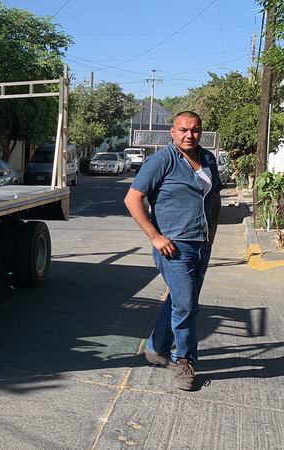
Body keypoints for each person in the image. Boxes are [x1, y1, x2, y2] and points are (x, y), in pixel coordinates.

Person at [123, 111, 221, 391]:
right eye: (183, 130)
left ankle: (155, 347)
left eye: (195, 130)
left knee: (181, 301)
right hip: (173, 247)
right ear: (172, 131)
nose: (189, 135)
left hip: (201, 244)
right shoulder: (161, 161)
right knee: (187, 305)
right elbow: (132, 199)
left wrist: (212, 232)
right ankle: (185, 362)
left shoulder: (208, 159)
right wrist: (154, 236)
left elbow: (214, 197)